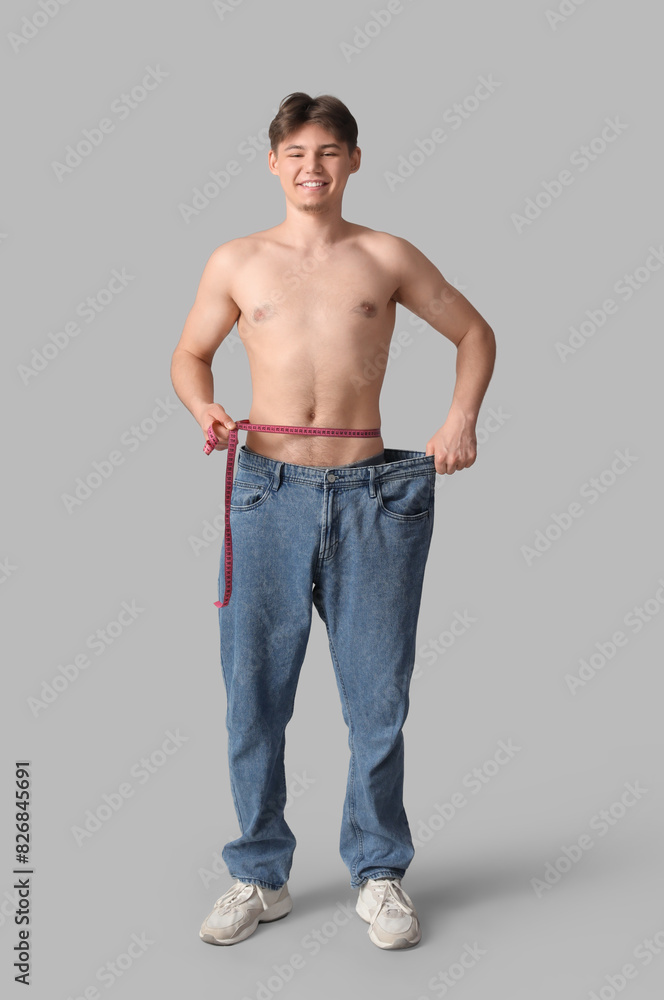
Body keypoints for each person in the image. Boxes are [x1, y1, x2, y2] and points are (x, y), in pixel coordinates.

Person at [170, 91, 496, 950]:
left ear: (353, 161)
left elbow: (473, 332)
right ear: (273, 164)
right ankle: (257, 874)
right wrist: (203, 406)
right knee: (254, 697)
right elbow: (189, 354)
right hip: (265, 491)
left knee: (377, 697)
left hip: (372, 497)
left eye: (329, 151)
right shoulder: (237, 261)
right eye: (296, 153)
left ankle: (379, 873)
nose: (312, 166)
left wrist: (459, 418)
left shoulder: (384, 255)